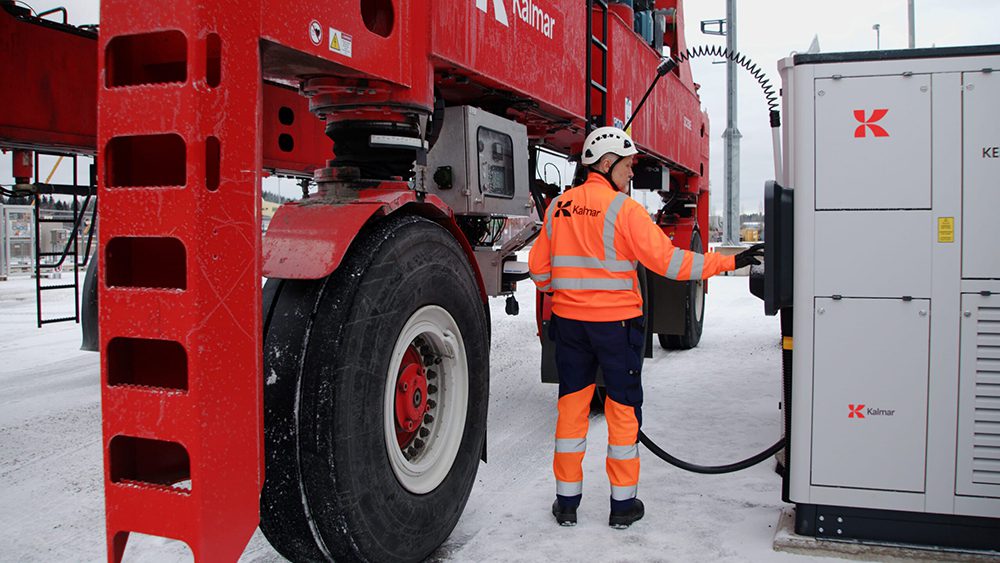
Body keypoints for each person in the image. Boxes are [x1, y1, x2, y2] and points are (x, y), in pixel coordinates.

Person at [528, 126, 763, 529]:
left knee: (572, 410)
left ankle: (566, 503)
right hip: (616, 328)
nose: (632, 172)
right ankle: (622, 508)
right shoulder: (624, 210)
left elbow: (538, 270)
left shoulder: (558, 208)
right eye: (628, 164)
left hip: (569, 327)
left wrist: (564, 293)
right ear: (606, 163)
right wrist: (730, 262)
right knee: (622, 411)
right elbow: (671, 264)